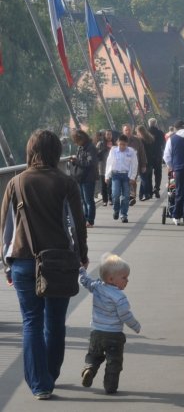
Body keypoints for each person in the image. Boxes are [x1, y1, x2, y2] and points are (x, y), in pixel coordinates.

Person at [1, 129, 90, 400]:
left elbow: (6, 228)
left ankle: (39, 383)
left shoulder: (15, 183)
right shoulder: (66, 183)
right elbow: (77, 224)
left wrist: (6, 263)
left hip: (24, 261)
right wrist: (82, 255)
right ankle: (50, 374)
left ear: (30, 151)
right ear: (57, 153)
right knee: (55, 321)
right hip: (60, 261)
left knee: (31, 321)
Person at [78, 254, 141, 395]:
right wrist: (135, 326)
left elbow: (84, 281)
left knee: (94, 355)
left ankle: (89, 368)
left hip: (96, 332)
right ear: (111, 279)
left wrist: (81, 270)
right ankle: (110, 386)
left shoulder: (97, 286)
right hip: (114, 335)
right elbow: (125, 315)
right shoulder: (120, 297)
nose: (127, 280)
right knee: (114, 362)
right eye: (124, 278)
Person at [104, 134, 138, 224]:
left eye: (124, 144)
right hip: (116, 175)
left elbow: (134, 165)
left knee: (126, 196)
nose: (122, 146)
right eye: (120, 144)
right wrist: (107, 176)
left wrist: (132, 177)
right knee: (115, 194)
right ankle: (116, 210)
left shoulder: (131, 152)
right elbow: (109, 163)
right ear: (117, 143)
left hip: (126, 176)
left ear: (127, 144)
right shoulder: (113, 151)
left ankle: (124, 215)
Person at [70, 129, 99, 228]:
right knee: (83, 200)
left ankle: (90, 220)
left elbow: (91, 163)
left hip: (88, 177)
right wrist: (75, 161)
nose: (76, 143)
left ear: (81, 139)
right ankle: (85, 218)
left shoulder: (91, 148)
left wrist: (77, 161)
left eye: (76, 140)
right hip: (81, 177)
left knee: (89, 200)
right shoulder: (81, 147)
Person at [121, 124, 147, 206]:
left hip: (134, 166)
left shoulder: (137, 140)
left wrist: (143, 165)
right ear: (123, 131)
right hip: (123, 166)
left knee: (132, 181)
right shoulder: (119, 141)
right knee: (125, 182)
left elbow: (142, 153)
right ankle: (126, 196)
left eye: (129, 130)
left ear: (132, 130)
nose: (128, 132)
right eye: (126, 130)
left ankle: (132, 197)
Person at [134, 125, 156, 200]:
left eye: (137, 132)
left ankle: (146, 194)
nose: (136, 133)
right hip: (150, 161)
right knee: (147, 178)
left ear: (140, 132)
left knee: (144, 178)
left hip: (143, 161)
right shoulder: (151, 138)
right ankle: (143, 194)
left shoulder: (140, 140)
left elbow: (141, 152)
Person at [147, 119, 166, 199]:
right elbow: (163, 144)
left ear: (149, 124)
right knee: (158, 173)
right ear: (156, 124)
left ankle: (150, 191)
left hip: (148, 156)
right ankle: (157, 188)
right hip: (158, 155)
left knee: (149, 174)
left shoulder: (146, 132)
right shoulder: (160, 133)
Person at [94, 130, 110, 206]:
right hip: (103, 166)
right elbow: (95, 153)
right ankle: (105, 200)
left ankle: (111, 199)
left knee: (111, 184)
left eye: (110, 134)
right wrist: (103, 150)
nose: (109, 136)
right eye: (107, 135)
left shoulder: (115, 143)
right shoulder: (100, 144)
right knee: (104, 184)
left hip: (112, 167)